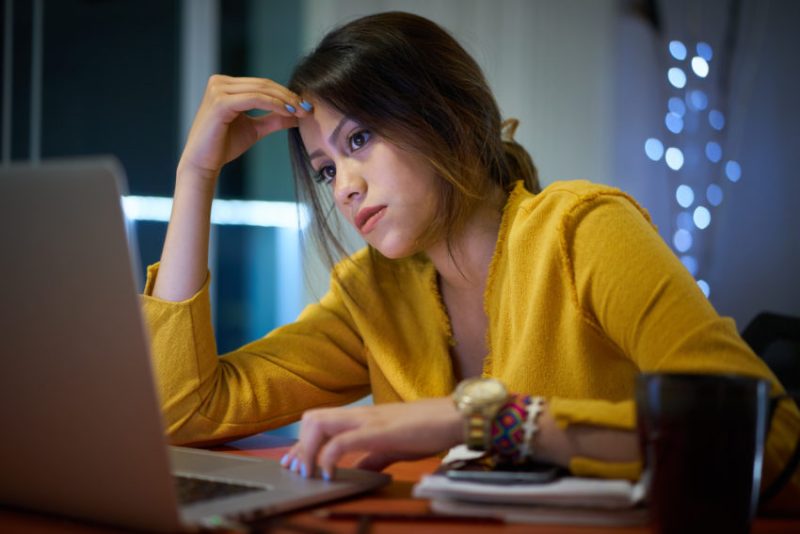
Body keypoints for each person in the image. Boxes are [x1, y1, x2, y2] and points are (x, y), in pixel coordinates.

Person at [141, 11, 799, 511]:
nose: (343, 186)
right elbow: (182, 415)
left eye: (360, 140)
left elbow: (761, 438)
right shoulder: (372, 294)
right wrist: (194, 175)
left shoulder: (582, 231)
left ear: (445, 117)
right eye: (324, 169)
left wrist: (480, 419)